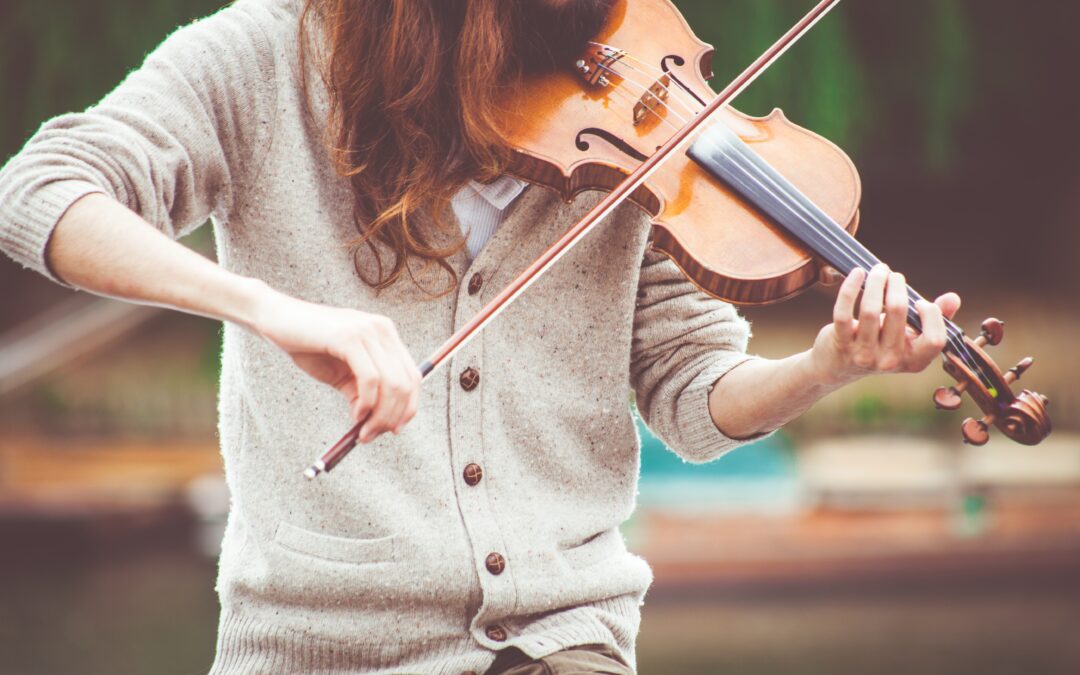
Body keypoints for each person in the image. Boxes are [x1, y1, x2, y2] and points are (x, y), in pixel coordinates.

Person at [0, 0, 960, 673]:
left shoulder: (640, 118)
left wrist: (826, 365)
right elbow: (40, 192)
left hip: (562, 639)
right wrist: (266, 307)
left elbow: (693, 393)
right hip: (318, 643)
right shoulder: (258, 59)